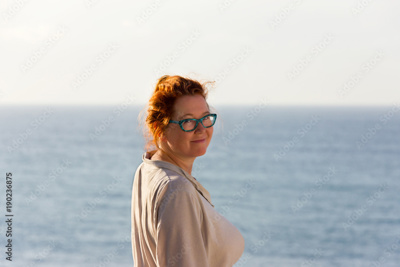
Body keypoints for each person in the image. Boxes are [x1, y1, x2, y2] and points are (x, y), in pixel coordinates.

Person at [131, 75, 245, 267]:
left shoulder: (147, 168)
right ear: (160, 129)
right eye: (188, 121)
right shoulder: (177, 189)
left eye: (205, 118)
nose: (202, 129)